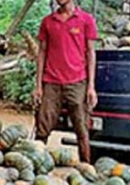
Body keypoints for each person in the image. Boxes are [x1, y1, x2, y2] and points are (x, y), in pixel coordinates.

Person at [33, 0, 98, 162]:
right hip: (51, 81)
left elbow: (90, 53)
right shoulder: (48, 22)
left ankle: (86, 166)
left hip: (77, 82)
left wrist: (91, 87)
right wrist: (38, 86)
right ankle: (35, 162)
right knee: (42, 125)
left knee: (81, 128)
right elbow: (42, 53)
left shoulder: (86, 20)